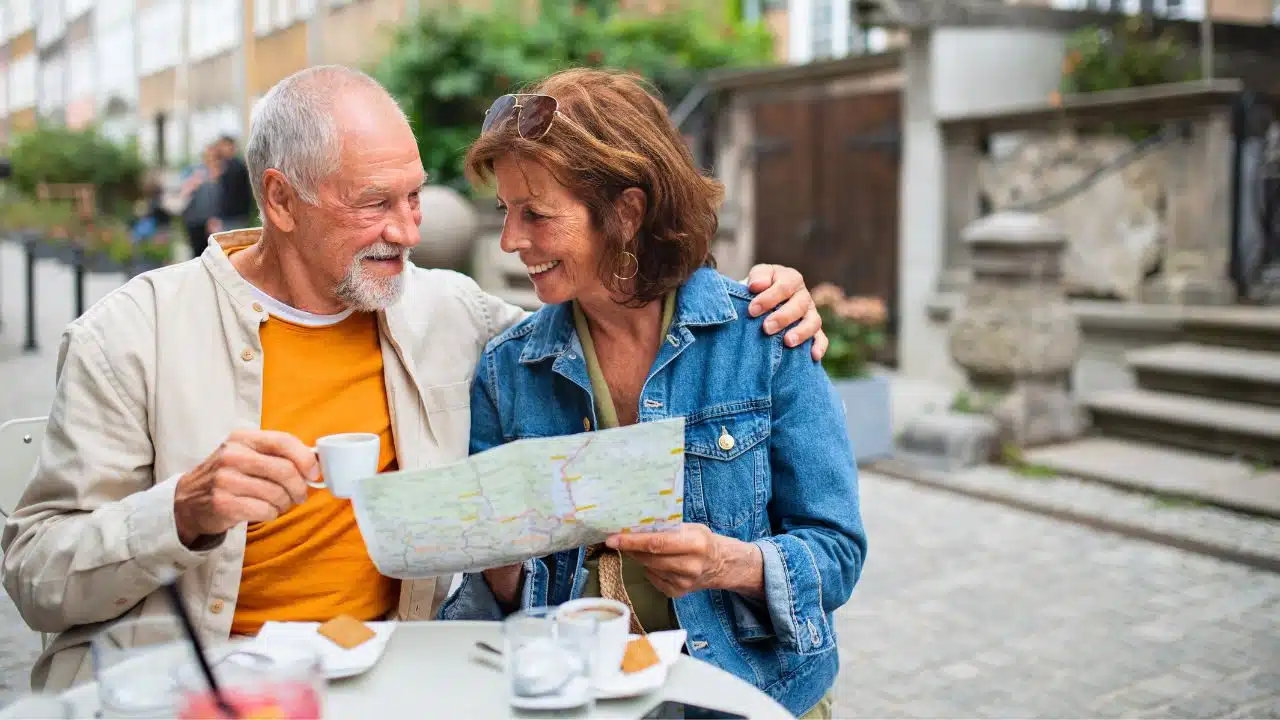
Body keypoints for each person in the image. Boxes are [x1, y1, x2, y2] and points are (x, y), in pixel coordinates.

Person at [0, 65, 827, 693]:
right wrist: (180, 511)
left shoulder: (448, 314)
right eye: (375, 204)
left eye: (415, 197)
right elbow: (37, 576)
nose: (407, 231)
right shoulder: (132, 334)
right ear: (282, 201)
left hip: (387, 680)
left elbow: (616, 316)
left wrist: (765, 299)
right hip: (190, 683)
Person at [438, 69, 866, 719]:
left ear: (626, 213)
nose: (510, 242)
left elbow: (837, 554)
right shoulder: (508, 369)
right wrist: (497, 560)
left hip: (754, 699)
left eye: (537, 215)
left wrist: (727, 562)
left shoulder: (764, 336)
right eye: (506, 212)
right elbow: (487, 609)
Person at [179, 144, 223, 258]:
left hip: (212, 221)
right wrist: (193, 182)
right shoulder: (195, 171)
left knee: (211, 254)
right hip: (194, 219)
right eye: (208, 156)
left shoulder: (221, 173)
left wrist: (215, 218)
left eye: (214, 156)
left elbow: (219, 199)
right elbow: (182, 192)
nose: (210, 159)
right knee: (197, 255)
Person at [208, 134, 254, 234]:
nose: (219, 149)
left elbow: (228, 195)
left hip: (234, 217)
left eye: (222, 145)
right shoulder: (227, 165)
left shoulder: (236, 167)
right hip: (231, 217)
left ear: (231, 146)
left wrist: (218, 217)